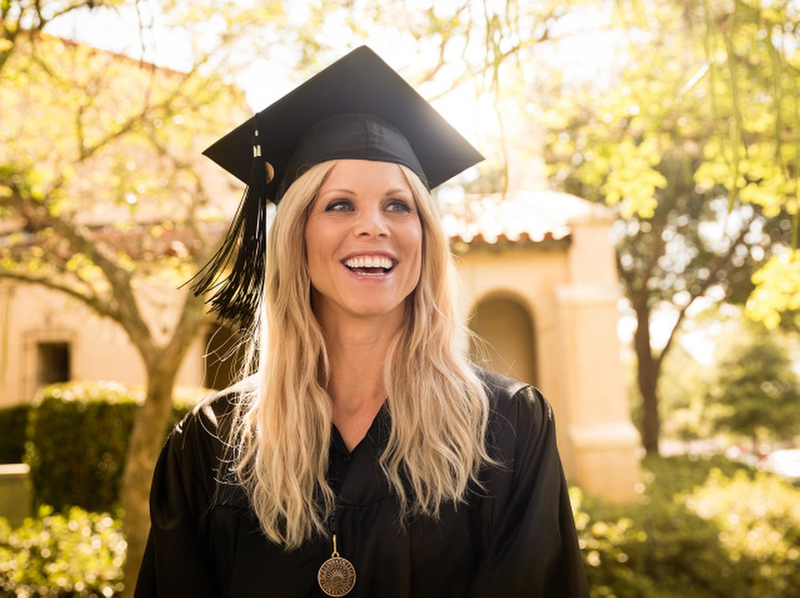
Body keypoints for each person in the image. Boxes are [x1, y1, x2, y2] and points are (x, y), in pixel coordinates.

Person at [135, 47, 589, 598]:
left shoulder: (508, 429)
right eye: (340, 205)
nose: (373, 226)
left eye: (398, 205)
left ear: (425, 235)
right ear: (297, 236)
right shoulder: (210, 444)